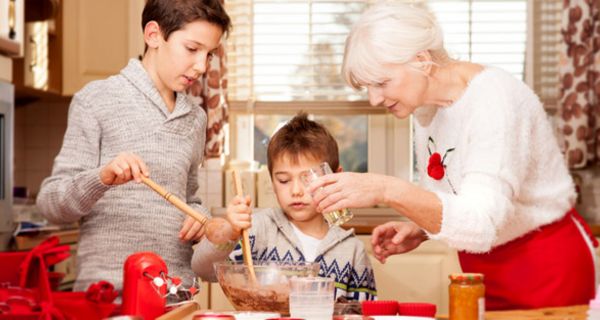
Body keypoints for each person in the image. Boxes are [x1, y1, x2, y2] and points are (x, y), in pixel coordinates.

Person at [308, 2, 596, 311]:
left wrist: (385, 189)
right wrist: (421, 228)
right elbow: (466, 199)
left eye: (381, 83)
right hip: (480, 272)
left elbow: (483, 223)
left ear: (421, 60)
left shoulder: (494, 101)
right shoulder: (427, 109)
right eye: (367, 87)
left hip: (544, 269)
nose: (374, 98)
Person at [36, 0, 231, 292]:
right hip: (110, 297)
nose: (201, 66)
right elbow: (51, 203)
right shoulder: (96, 99)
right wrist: (101, 178)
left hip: (174, 296)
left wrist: (200, 220)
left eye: (209, 55)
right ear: (153, 35)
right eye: (192, 49)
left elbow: (186, 199)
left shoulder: (195, 118)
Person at [192, 113, 377, 301]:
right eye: (284, 180)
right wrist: (229, 233)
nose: (296, 191)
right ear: (272, 182)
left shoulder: (352, 250)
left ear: (334, 178)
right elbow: (203, 269)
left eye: (307, 179)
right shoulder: (256, 231)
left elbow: (360, 312)